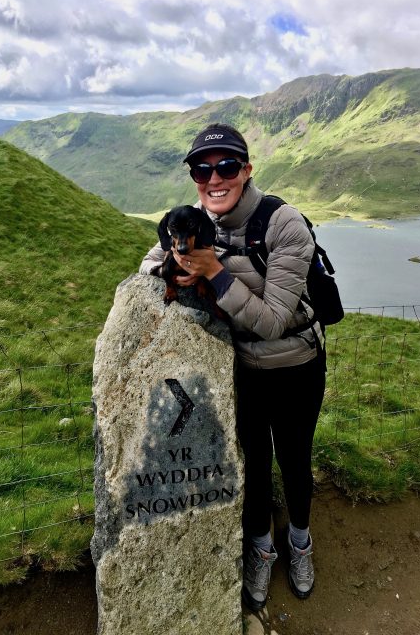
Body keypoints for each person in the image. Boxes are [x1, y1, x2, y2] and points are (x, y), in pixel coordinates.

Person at [139, 123, 326, 612]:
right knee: (253, 464)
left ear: (246, 170)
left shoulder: (284, 225)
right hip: (238, 370)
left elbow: (270, 322)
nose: (213, 178)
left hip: (294, 363)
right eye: (203, 169)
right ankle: (262, 550)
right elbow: (150, 261)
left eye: (225, 167)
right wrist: (164, 268)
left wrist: (215, 271)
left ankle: (300, 545)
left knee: (294, 457)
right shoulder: (193, 222)